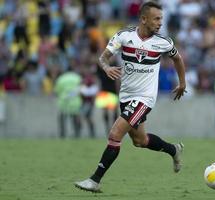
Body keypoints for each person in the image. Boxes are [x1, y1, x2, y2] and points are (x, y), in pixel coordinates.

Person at [75, 1, 186, 192]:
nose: (160, 23)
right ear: (143, 19)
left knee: (115, 134)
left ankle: (95, 180)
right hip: (126, 96)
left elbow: (178, 58)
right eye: (156, 18)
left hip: (145, 98)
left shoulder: (163, 42)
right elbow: (103, 57)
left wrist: (182, 83)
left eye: (161, 19)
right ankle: (173, 150)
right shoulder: (124, 36)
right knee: (140, 141)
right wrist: (107, 67)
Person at [54, 67, 82, 138]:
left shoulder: (61, 78)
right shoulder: (78, 77)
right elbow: (81, 89)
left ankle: (62, 134)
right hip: (75, 102)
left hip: (64, 101)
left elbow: (57, 91)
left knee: (62, 118)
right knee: (75, 118)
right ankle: (77, 134)